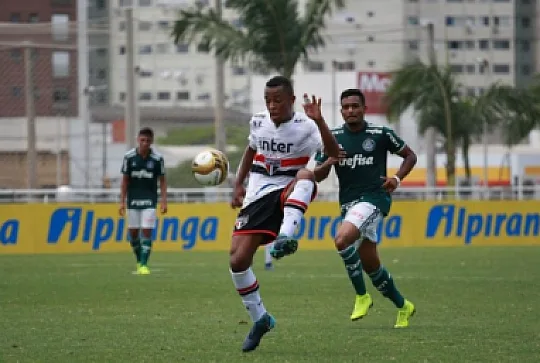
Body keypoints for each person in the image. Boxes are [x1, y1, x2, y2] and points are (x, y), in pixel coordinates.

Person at [229, 75, 340, 352]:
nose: (272, 105)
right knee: (238, 259)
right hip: (257, 195)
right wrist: (238, 183)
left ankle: (285, 237)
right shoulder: (258, 121)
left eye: (278, 100)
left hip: (288, 191)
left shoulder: (306, 127)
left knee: (305, 174)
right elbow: (251, 150)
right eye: (268, 100)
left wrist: (320, 120)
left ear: (291, 100)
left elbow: (333, 153)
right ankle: (261, 319)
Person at [313, 88, 418, 328]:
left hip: (374, 199)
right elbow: (317, 175)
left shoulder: (380, 133)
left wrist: (397, 178)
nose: (350, 110)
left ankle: (362, 296)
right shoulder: (333, 137)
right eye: (346, 107)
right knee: (372, 267)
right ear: (341, 111)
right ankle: (403, 307)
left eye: (355, 106)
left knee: (341, 240)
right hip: (348, 204)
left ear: (364, 109)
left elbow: (410, 156)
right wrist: (330, 159)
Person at [119, 127, 168, 275]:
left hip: (149, 200)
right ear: (138, 140)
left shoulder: (157, 159)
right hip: (133, 200)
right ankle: (139, 260)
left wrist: (164, 200)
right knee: (133, 233)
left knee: (146, 231)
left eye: (147, 140)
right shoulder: (129, 158)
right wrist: (121, 201)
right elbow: (125, 181)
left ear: (151, 141)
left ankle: (144, 264)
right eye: (142, 140)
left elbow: (163, 181)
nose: (145, 143)